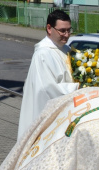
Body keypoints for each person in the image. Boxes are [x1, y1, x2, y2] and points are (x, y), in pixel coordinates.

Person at [17, 9, 79, 139]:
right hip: (49, 120)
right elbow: (47, 89)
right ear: (49, 28)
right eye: (62, 30)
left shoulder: (66, 49)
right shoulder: (43, 54)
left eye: (69, 30)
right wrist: (78, 88)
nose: (67, 35)